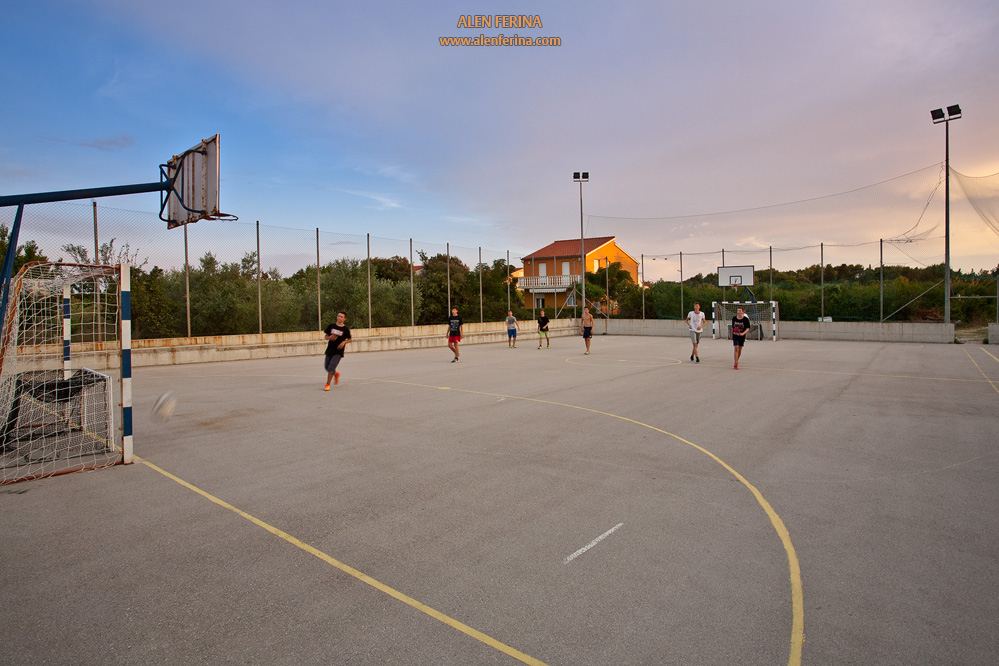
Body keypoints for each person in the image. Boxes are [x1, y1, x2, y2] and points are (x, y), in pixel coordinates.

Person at [323, 310, 352, 390]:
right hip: (330, 349)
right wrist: (329, 338)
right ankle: (336, 374)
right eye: (338, 316)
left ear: (344, 319)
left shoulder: (345, 329)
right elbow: (326, 336)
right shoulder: (331, 326)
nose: (339, 318)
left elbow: (350, 339)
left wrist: (344, 342)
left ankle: (327, 384)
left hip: (338, 351)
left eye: (341, 317)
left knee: (331, 366)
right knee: (327, 367)